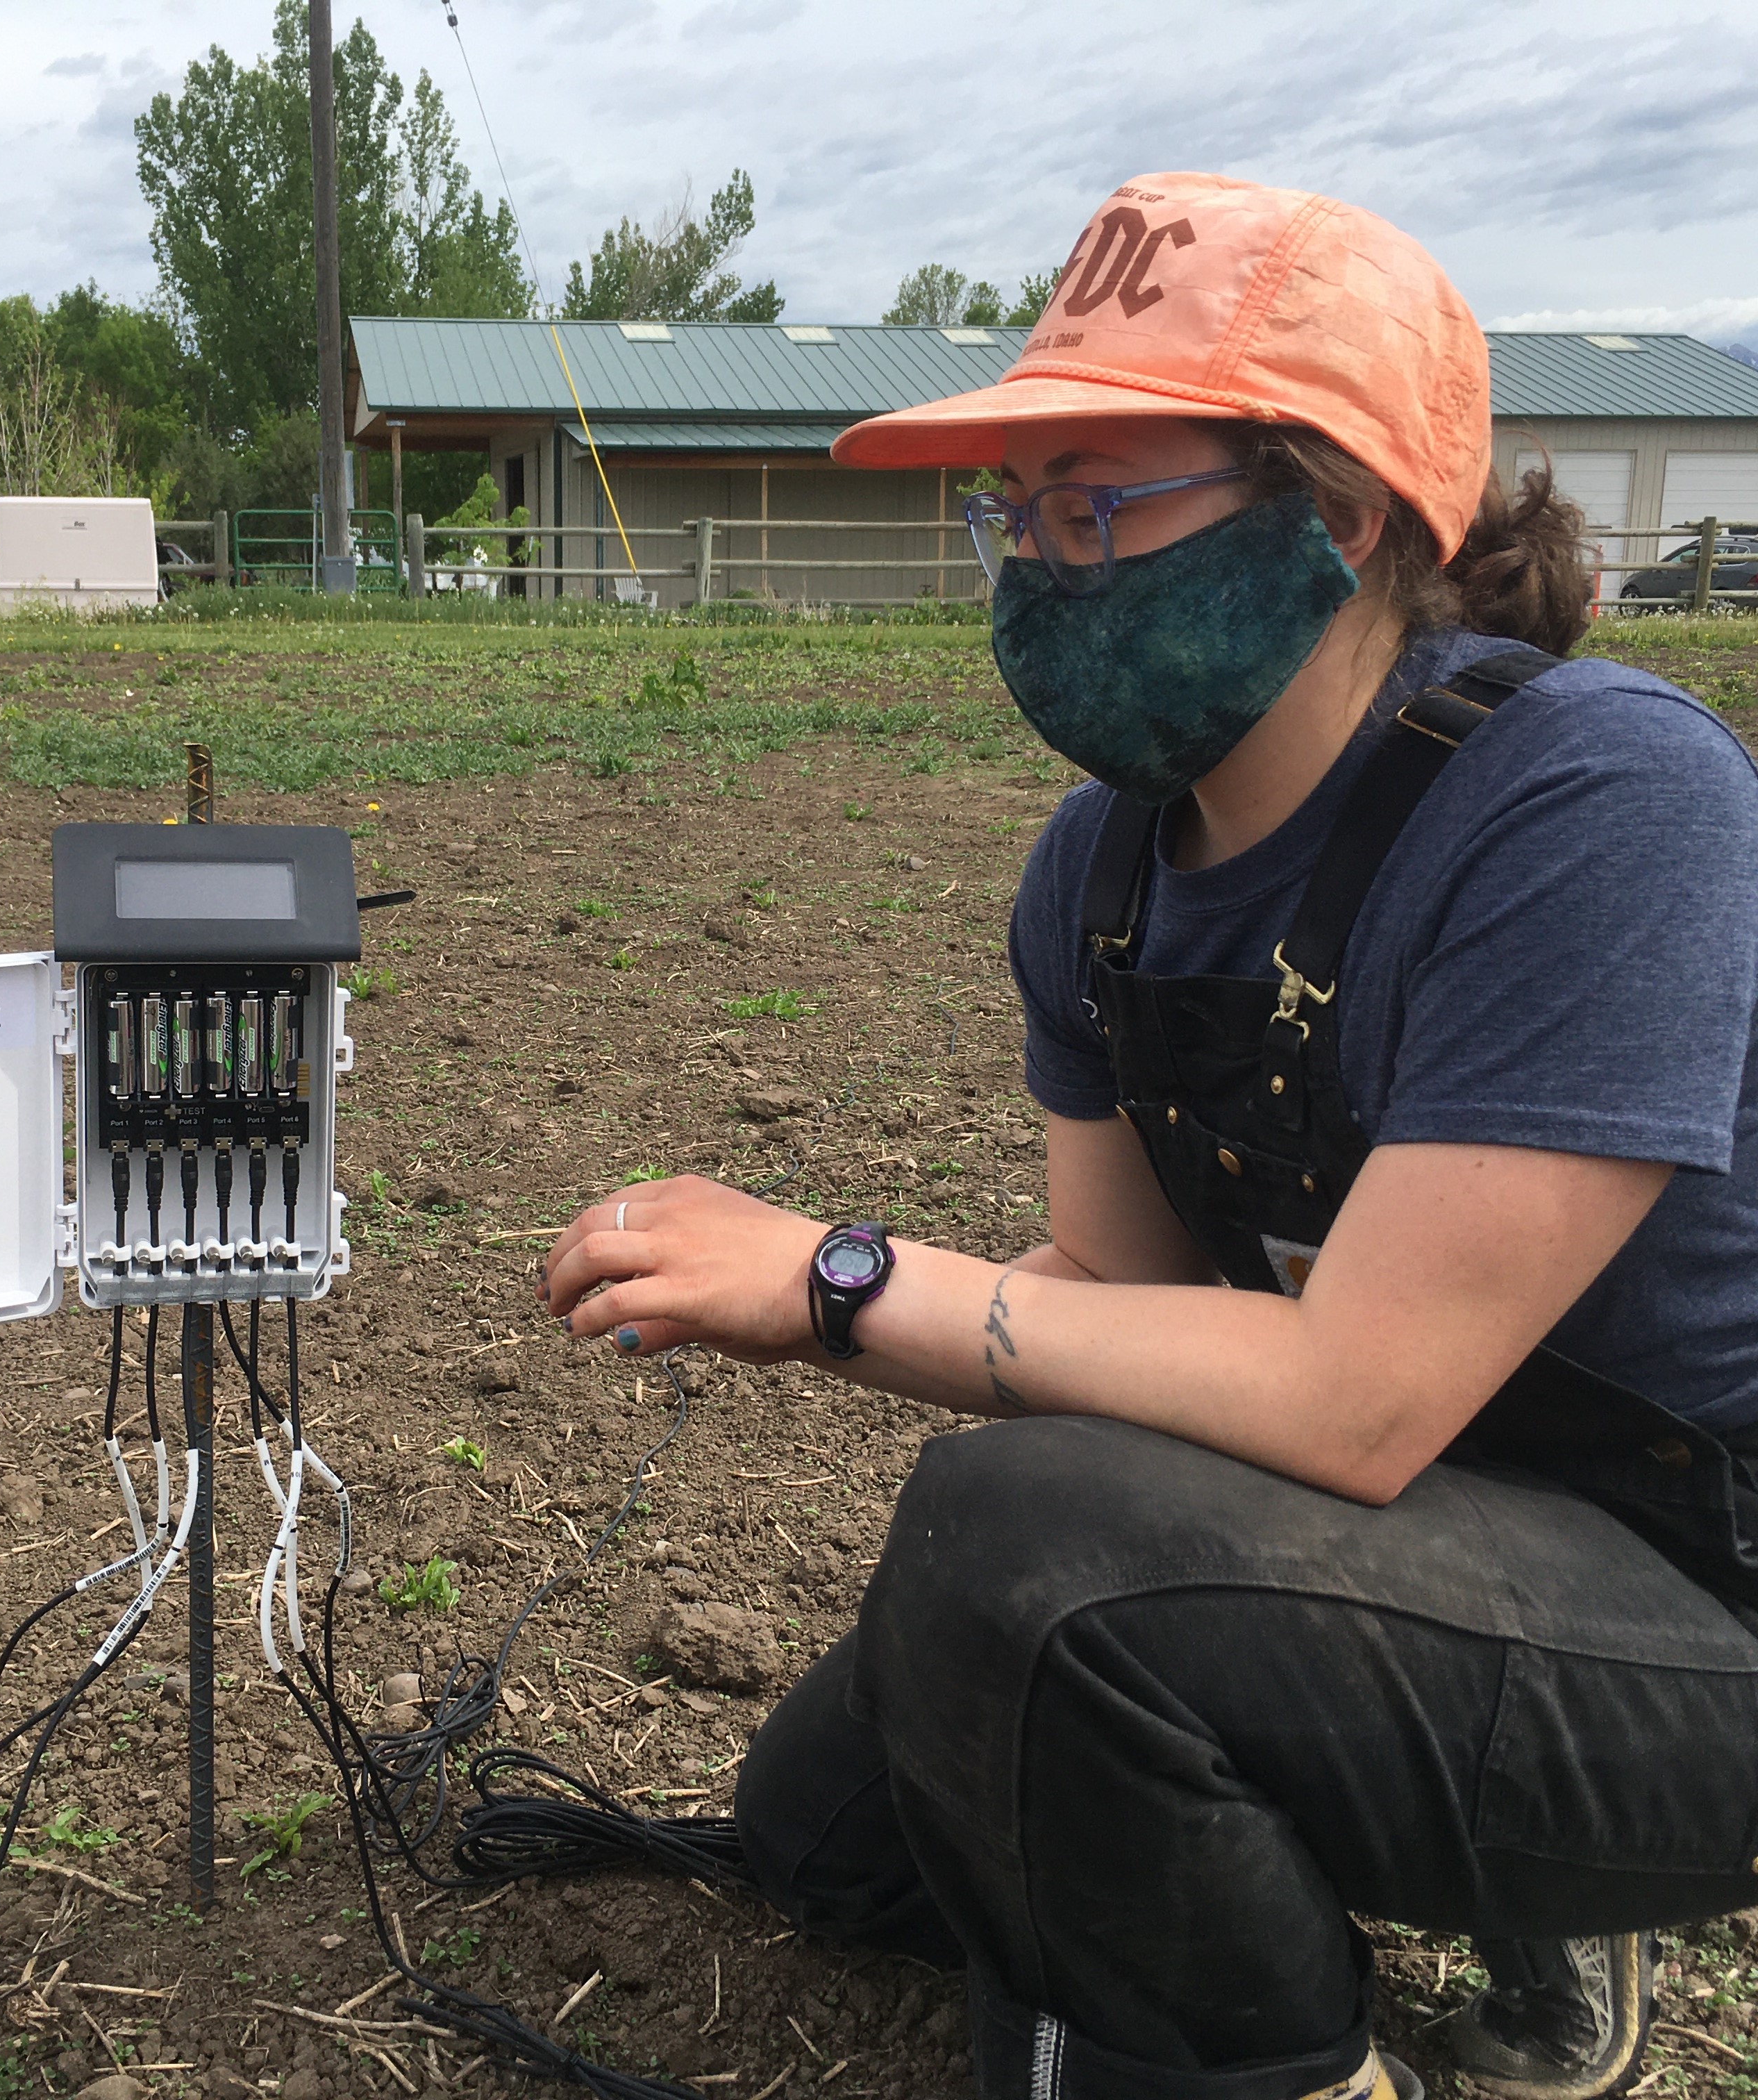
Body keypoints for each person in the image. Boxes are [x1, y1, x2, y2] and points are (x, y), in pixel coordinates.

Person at [540, 170, 1758, 2100]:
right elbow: (1117, 1292)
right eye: (1010, 510)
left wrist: (843, 1277)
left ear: (1337, 517)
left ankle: (1342, 2038)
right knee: (833, 1830)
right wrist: (806, 1304)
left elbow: (1355, 1397)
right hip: (1401, 1539)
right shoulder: (1101, 870)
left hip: (1687, 1599)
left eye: (1095, 503)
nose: (1034, 565)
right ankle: (1338, 1827)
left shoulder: (1599, 803)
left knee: (1023, 1563)